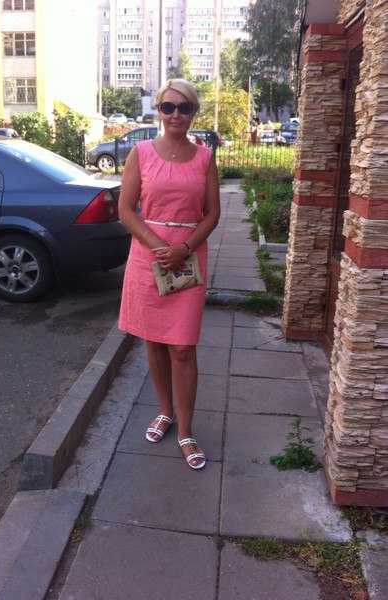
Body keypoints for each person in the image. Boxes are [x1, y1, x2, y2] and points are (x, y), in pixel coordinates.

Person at [118, 78, 220, 470]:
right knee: (155, 342)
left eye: (184, 107)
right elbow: (126, 209)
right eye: (168, 107)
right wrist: (160, 247)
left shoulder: (204, 158)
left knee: (183, 346)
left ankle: (186, 430)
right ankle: (165, 411)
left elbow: (212, 212)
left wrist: (185, 247)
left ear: (194, 112)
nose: (176, 114)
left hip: (188, 258)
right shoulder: (141, 153)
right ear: (158, 111)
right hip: (149, 259)